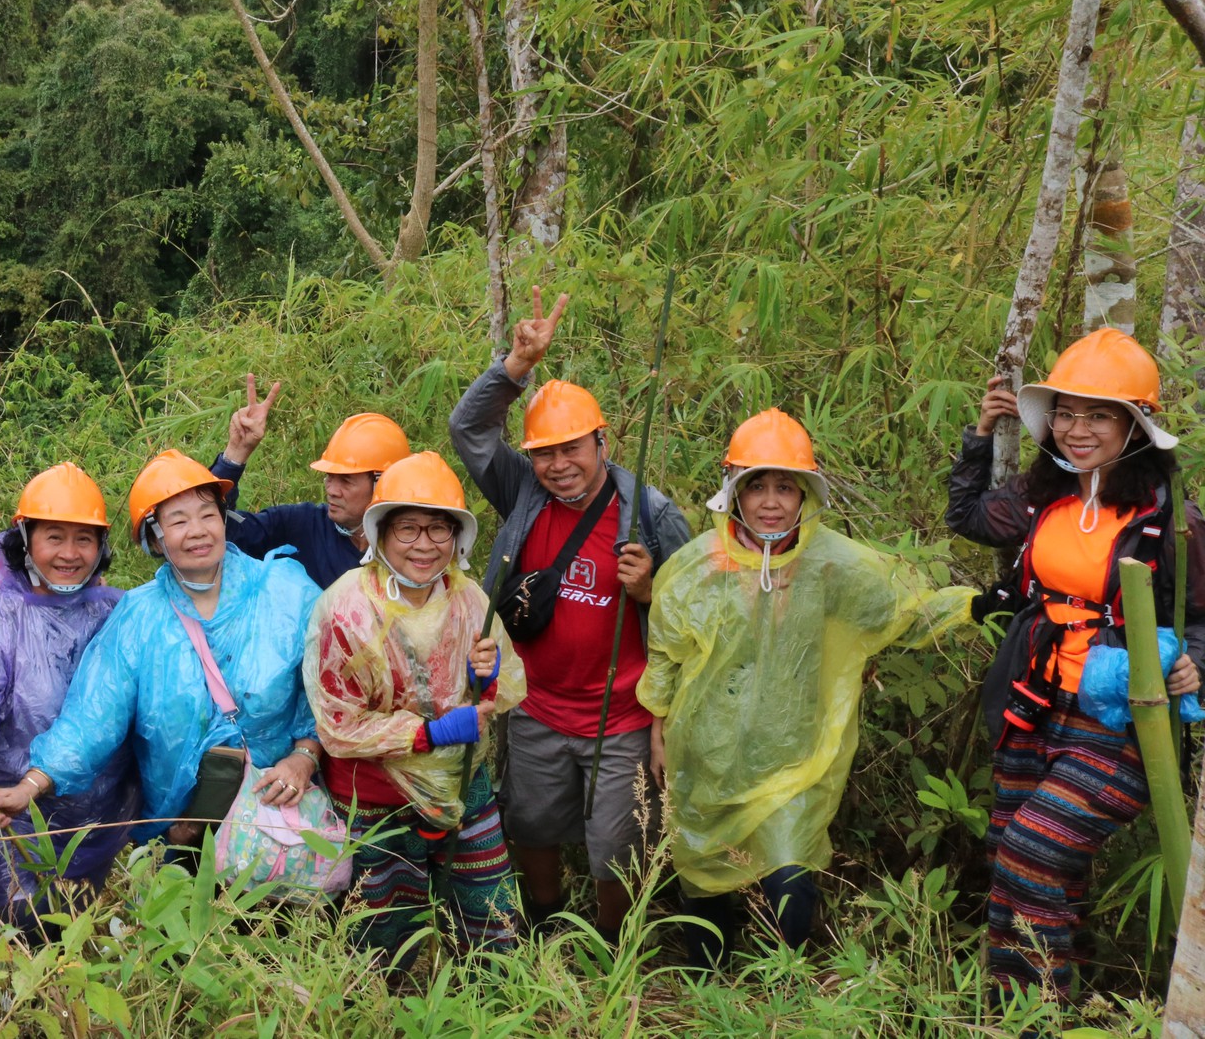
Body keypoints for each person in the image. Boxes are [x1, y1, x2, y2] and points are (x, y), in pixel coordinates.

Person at [642, 408, 977, 967]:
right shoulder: (694, 566)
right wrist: (657, 730)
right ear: (734, 493)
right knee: (704, 874)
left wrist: (979, 605)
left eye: (785, 486)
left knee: (790, 878)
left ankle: (787, 982)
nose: (771, 501)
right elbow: (664, 657)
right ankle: (708, 983)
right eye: (756, 487)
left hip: (795, 754)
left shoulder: (832, 563)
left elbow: (905, 611)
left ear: (806, 495)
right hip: (707, 749)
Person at [947, 327, 1205, 1002]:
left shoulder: (1167, 517)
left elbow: (1202, 615)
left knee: (1035, 853)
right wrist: (980, 436)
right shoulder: (1043, 497)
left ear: (1135, 426)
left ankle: (1036, 1011)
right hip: (1034, 703)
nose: (1076, 428)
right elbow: (969, 515)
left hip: (1118, 717)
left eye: (1098, 415)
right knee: (1016, 856)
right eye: (1065, 411)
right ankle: (1047, 999)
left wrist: (1194, 666)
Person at [447, 288, 689, 937]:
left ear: (601, 441)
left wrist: (651, 591)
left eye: (572, 448)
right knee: (532, 822)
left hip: (624, 715)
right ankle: (548, 921)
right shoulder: (523, 490)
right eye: (544, 453)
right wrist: (515, 367)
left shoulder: (652, 514)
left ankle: (611, 942)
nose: (557, 465)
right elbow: (468, 430)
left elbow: (698, 612)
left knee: (618, 844)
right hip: (535, 707)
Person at [0, 450, 323, 857]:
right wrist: (31, 785)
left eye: (208, 514)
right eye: (178, 520)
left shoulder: (285, 591)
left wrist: (304, 757)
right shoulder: (138, 618)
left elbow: (327, 691)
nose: (198, 530)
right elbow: (93, 717)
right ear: (154, 537)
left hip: (276, 816)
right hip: (179, 831)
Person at [303, 450, 527, 969]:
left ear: (458, 538)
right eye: (408, 529)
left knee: (486, 908)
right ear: (381, 534)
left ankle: (489, 1001)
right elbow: (339, 726)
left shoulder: (470, 600)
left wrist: (484, 679)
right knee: (382, 925)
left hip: (461, 785)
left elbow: (499, 695)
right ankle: (382, 1011)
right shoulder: (345, 609)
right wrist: (431, 732)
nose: (424, 545)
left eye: (438, 529)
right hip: (378, 796)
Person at [0, 462, 138, 935]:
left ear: (102, 547)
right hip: (18, 819)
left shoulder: (120, 611)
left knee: (98, 952)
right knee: (16, 944)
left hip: (110, 822)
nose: (70, 553)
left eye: (84, 538)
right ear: (26, 540)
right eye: (54, 537)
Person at [208, 376, 411, 590]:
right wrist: (235, 455)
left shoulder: (415, 546)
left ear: (384, 482)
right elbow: (219, 532)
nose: (332, 490)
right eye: (329, 477)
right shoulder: (304, 526)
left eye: (346, 481)